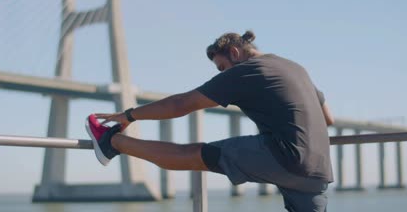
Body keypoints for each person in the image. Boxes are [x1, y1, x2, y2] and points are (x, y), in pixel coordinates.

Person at [86, 30, 334, 212]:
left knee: (195, 154)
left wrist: (129, 115)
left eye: (222, 67)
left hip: (285, 156)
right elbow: (328, 119)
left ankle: (113, 143)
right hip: (318, 173)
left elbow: (180, 105)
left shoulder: (245, 71)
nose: (223, 74)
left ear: (235, 53)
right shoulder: (295, 67)